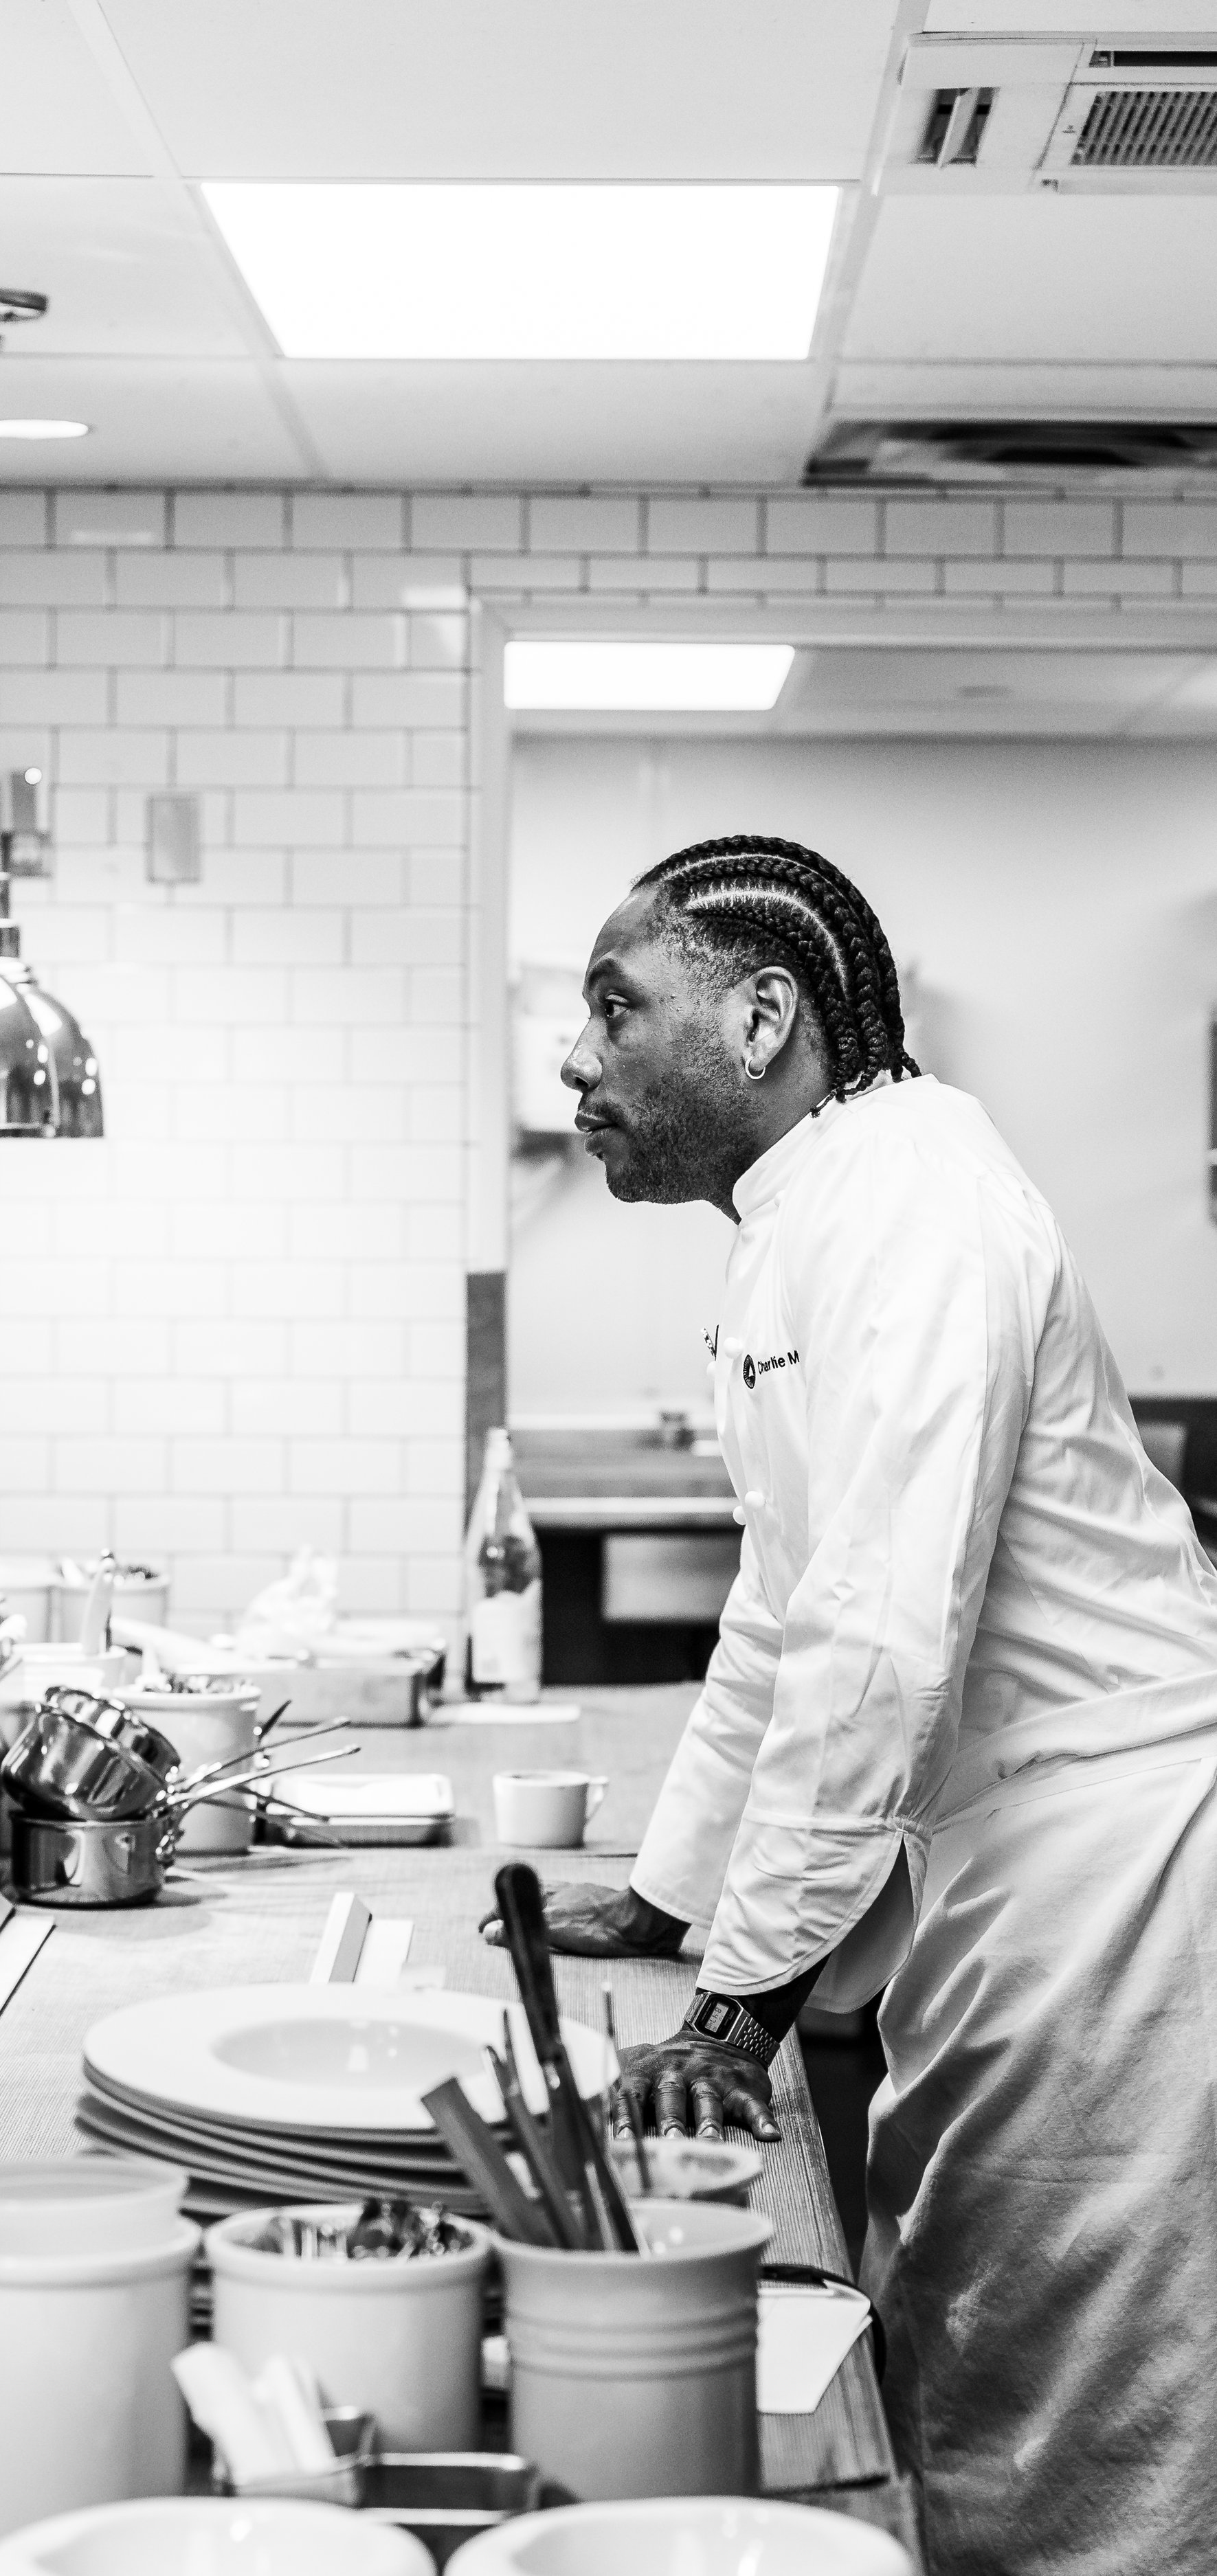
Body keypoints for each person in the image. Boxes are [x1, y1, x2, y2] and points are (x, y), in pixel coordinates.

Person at [481, 833, 1217, 2576]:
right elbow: (784, 1600)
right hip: (1011, 1857)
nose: (574, 1060)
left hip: (1115, 1867)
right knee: (967, 2326)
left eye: (613, 1008)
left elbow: (880, 1635)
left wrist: (735, 2011)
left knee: (1071, 2401)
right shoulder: (804, 1213)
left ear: (759, 1021)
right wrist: (670, 1896)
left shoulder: (914, 1209)